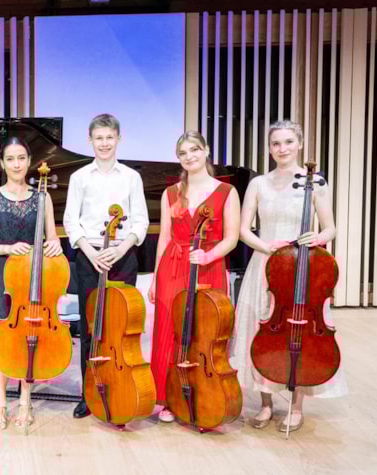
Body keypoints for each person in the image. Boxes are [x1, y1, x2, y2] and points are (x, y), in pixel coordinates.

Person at [231, 120, 347, 432]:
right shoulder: (258, 184)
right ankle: (266, 403)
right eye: (275, 144)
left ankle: (296, 406)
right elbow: (243, 230)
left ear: (299, 144)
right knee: (263, 331)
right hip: (266, 263)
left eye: (287, 142)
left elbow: (331, 227)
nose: (281, 149)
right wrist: (266, 247)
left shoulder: (315, 182)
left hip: (302, 266)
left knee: (301, 333)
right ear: (269, 148)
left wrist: (317, 238)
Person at [148, 131, 240, 423]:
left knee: (204, 334)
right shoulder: (170, 192)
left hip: (208, 266)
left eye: (195, 150)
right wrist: (154, 277)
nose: (190, 157)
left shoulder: (227, 192)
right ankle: (167, 398)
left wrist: (208, 256)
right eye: (183, 153)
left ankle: (203, 392)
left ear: (206, 151)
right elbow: (163, 237)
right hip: (172, 266)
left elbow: (232, 238)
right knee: (168, 330)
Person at [62, 113, 150, 419]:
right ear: (90, 140)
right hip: (90, 257)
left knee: (122, 327)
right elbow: (71, 221)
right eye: (98, 138)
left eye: (109, 137)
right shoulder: (79, 177)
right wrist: (90, 251)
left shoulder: (131, 177)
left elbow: (140, 221)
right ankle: (88, 392)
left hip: (122, 256)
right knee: (90, 327)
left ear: (118, 139)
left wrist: (120, 248)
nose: (104, 143)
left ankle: (121, 383)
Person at [0, 137, 63, 430]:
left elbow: (53, 238)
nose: (16, 164)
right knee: (2, 340)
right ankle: (0, 404)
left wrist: (55, 246)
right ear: (1, 163)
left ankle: (25, 401)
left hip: (33, 275)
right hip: (2, 274)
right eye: (10, 159)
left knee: (29, 339)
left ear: (29, 161)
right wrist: (7, 248)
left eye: (21, 158)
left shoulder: (42, 197)